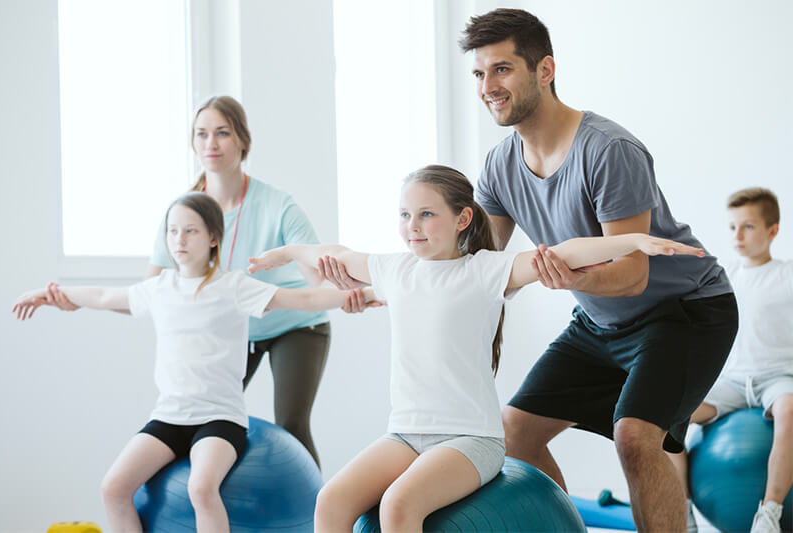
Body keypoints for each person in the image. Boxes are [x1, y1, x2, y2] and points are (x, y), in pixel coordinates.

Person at [248, 165, 707, 533]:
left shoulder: (485, 271)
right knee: (330, 501)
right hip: (405, 435)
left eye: (426, 214)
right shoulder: (395, 270)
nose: (413, 227)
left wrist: (633, 241)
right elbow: (332, 253)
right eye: (405, 215)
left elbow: (565, 253)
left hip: (471, 440)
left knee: (398, 506)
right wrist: (287, 253)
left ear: (462, 219)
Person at [454, 8, 739, 531]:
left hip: (685, 312)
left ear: (544, 70)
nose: (487, 87)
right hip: (601, 321)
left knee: (635, 436)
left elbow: (633, 273)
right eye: (479, 73)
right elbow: (482, 269)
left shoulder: (608, 150)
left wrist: (569, 276)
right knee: (514, 433)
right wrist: (398, 285)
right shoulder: (498, 166)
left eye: (502, 69)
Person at [12, 193, 363, 532]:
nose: (179, 239)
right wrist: (51, 295)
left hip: (219, 419)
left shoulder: (234, 287)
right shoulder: (159, 288)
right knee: (113, 488)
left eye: (190, 230)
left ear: (213, 237)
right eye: (173, 230)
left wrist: (362, 293)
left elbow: (305, 299)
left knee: (201, 488)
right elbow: (104, 296)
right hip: (169, 417)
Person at [48, 96, 333, 467]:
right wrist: (75, 299)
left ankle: (317, 504)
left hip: (294, 324)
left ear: (242, 140)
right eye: (201, 134)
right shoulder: (184, 215)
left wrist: (329, 282)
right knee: (199, 416)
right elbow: (149, 294)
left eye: (222, 133)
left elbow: (316, 276)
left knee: (292, 424)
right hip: (232, 330)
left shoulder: (278, 204)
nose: (210, 143)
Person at [669, 188, 792, 533]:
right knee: (668, 415)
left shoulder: (787, 275)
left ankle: (769, 512)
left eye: (748, 227)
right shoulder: (724, 277)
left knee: (790, 411)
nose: (738, 235)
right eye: (733, 227)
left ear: (772, 231)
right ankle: (681, 511)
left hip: (778, 378)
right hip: (734, 382)